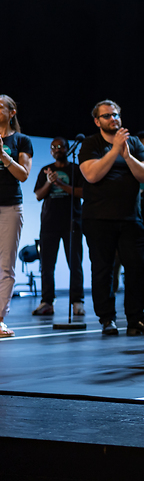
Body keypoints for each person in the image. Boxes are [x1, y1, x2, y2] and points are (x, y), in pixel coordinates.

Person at [79, 100, 144, 336]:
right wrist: (115, 150)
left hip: (130, 218)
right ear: (97, 121)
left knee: (136, 268)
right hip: (98, 218)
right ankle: (107, 319)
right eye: (107, 116)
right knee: (103, 270)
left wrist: (127, 156)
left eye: (115, 114)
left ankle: (136, 320)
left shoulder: (132, 143)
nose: (113, 118)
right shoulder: (91, 143)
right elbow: (91, 175)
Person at [33, 137, 85, 317]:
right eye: (53, 147)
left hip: (72, 223)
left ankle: (77, 301)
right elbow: (38, 195)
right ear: (50, 151)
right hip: (49, 224)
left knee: (75, 265)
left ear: (67, 148)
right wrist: (49, 182)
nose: (57, 149)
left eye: (60, 146)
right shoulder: (45, 170)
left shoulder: (76, 169)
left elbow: (83, 192)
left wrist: (60, 184)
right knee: (47, 266)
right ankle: (47, 302)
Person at [0, 95, 32, 337]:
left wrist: (3, 155)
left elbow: (23, 175)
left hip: (10, 207)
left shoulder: (21, 140)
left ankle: (0, 318)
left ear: (12, 113)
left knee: (6, 266)